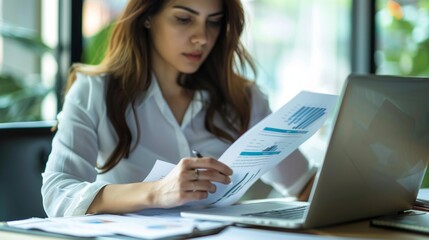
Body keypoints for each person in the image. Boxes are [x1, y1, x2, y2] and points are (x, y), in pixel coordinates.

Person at [42, 0, 316, 217]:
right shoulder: (94, 92)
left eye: (214, 22)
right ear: (147, 17)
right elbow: (58, 192)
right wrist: (157, 192)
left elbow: (304, 183)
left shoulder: (242, 99)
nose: (202, 38)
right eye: (184, 19)